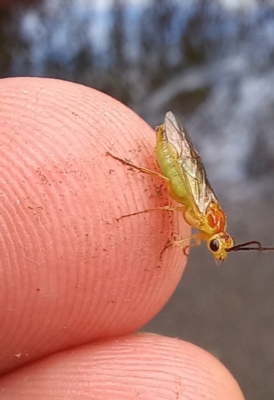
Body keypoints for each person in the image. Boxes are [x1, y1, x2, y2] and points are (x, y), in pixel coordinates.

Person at [0, 77, 244, 399]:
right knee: (168, 190)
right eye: (215, 244)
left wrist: (181, 243)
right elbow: (183, 189)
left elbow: (196, 232)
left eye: (216, 246)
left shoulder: (207, 224)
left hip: (181, 172)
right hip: (170, 164)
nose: (213, 246)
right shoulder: (201, 214)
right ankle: (127, 165)